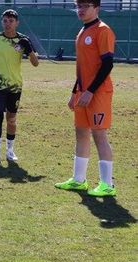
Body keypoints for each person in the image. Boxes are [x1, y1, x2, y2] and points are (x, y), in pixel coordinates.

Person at [55, 0, 117, 197]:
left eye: (85, 6)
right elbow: (82, 68)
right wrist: (75, 92)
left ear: (96, 8)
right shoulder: (82, 32)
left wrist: (90, 91)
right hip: (83, 92)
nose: (80, 10)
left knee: (99, 135)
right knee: (81, 133)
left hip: (98, 92)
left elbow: (107, 64)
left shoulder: (103, 30)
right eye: (78, 6)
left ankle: (107, 184)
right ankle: (78, 180)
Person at [0, 9, 39, 163]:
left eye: (11, 21)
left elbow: (35, 63)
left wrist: (29, 48)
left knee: (11, 119)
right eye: (5, 20)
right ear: (2, 22)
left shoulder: (22, 40)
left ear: (17, 23)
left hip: (15, 86)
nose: (8, 24)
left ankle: (10, 151)